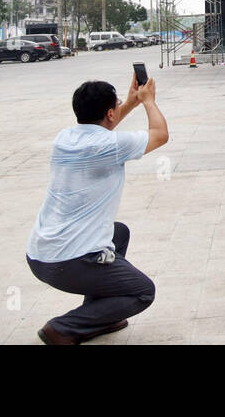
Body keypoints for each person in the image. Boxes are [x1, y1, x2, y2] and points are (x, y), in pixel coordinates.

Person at [25, 74, 169, 345]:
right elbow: (160, 135)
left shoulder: (65, 138)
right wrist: (148, 101)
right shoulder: (110, 146)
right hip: (68, 264)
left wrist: (129, 103)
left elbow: (103, 127)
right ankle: (63, 328)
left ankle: (102, 315)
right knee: (143, 292)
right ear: (110, 114)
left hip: (39, 256)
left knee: (119, 233)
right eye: (115, 108)